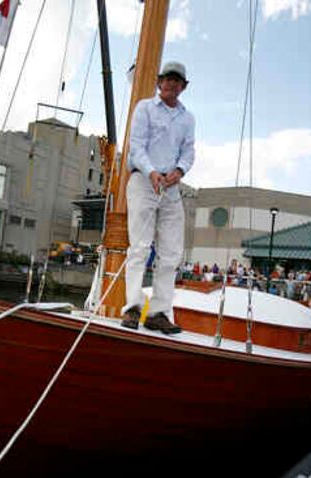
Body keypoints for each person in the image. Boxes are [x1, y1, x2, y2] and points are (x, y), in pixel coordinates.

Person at [120, 61, 195, 335]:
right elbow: (136, 146)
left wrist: (179, 171)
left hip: (171, 187)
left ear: (184, 86)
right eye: (168, 79)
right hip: (144, 180)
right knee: (139, 247)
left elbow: (189, 152)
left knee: (171, 253)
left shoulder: (188, 119)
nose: (172, 84)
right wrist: (152, 171)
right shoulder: (144, 108)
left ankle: (159, 312)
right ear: (159, 82)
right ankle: (132, 308)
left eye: (178, 80)